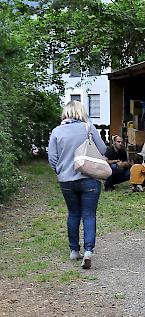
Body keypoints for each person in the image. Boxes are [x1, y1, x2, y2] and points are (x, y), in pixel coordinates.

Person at [47, 100, 107, 269]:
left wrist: (61, 171)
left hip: (67, 180)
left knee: (73, 214)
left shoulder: (57, 131)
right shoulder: (88, 127)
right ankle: (88, 251)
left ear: (65, 112)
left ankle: (74, 250)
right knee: (89, 214)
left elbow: (52, 158)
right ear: (81, 112)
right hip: (89, 178)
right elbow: (102, 149)